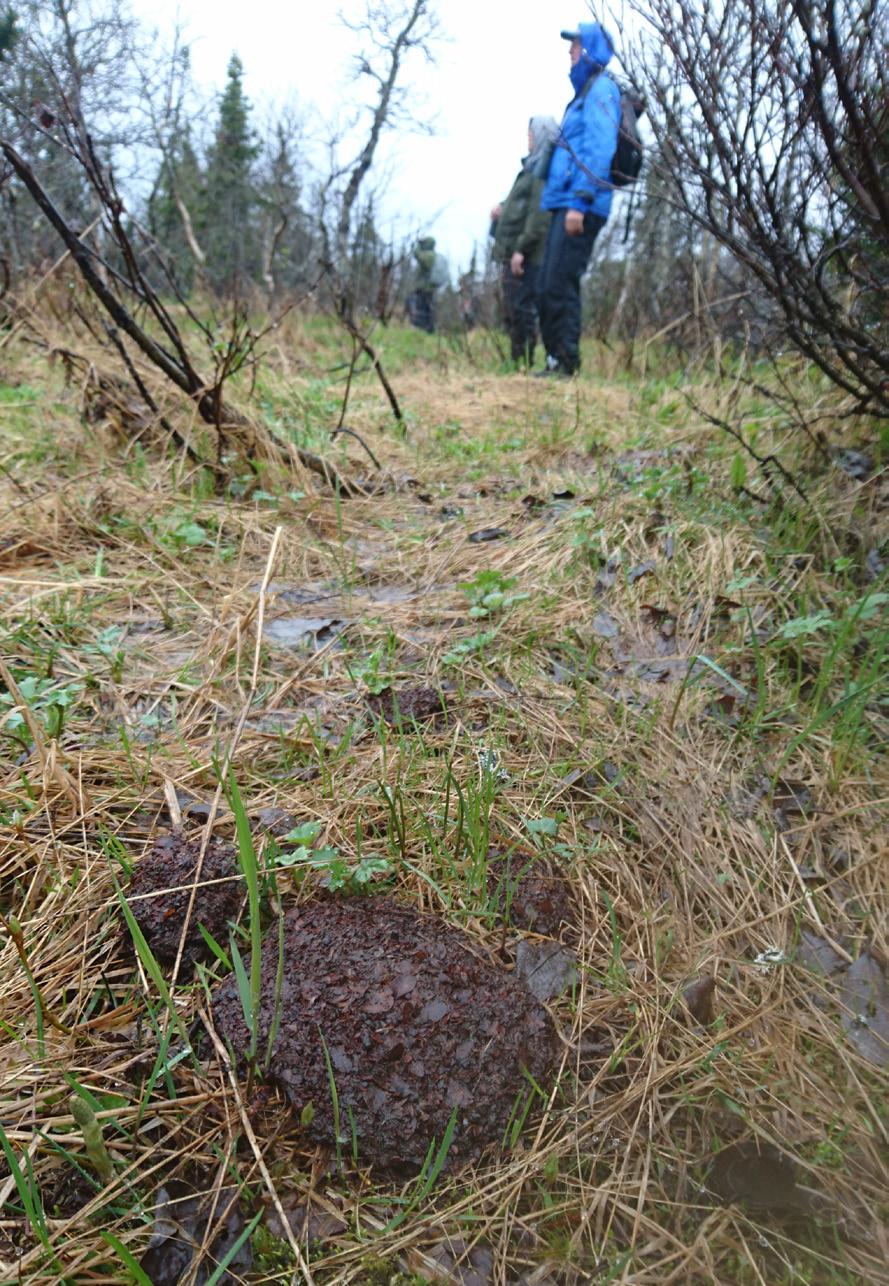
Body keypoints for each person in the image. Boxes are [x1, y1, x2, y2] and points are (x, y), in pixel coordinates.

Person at [536, 22, 621, 376]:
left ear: (590, 51)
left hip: (580, 205)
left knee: (559, 284)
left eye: (575, 47)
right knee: (548, 284)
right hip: (568, 202)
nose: (569, 54)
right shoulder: (585, 92)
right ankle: (556, 359)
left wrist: (581, 201)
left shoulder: (602, 89)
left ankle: (566, 363)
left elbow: (600, 148)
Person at [489, 116, 558, 366]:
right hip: (516, 250)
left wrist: (521, 249)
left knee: (521, 308)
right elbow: (521, 206)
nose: (528, 137)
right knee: (512, 308)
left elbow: (539, 213)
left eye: (532, 133)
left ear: (542, 134)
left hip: (529, 254)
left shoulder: (543, 169)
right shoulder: (531, 167)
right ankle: (517, 362)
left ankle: (523, 363)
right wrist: (503, 208)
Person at [409, 236, 443, 333]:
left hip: (426, 289)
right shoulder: (431, 254)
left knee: (423, 309)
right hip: (426, 288)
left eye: (424, 243)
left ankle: (424, 329)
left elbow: (419, 257)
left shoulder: (430, 255)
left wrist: (417, 248)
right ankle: (426, 329)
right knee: (425, 308)